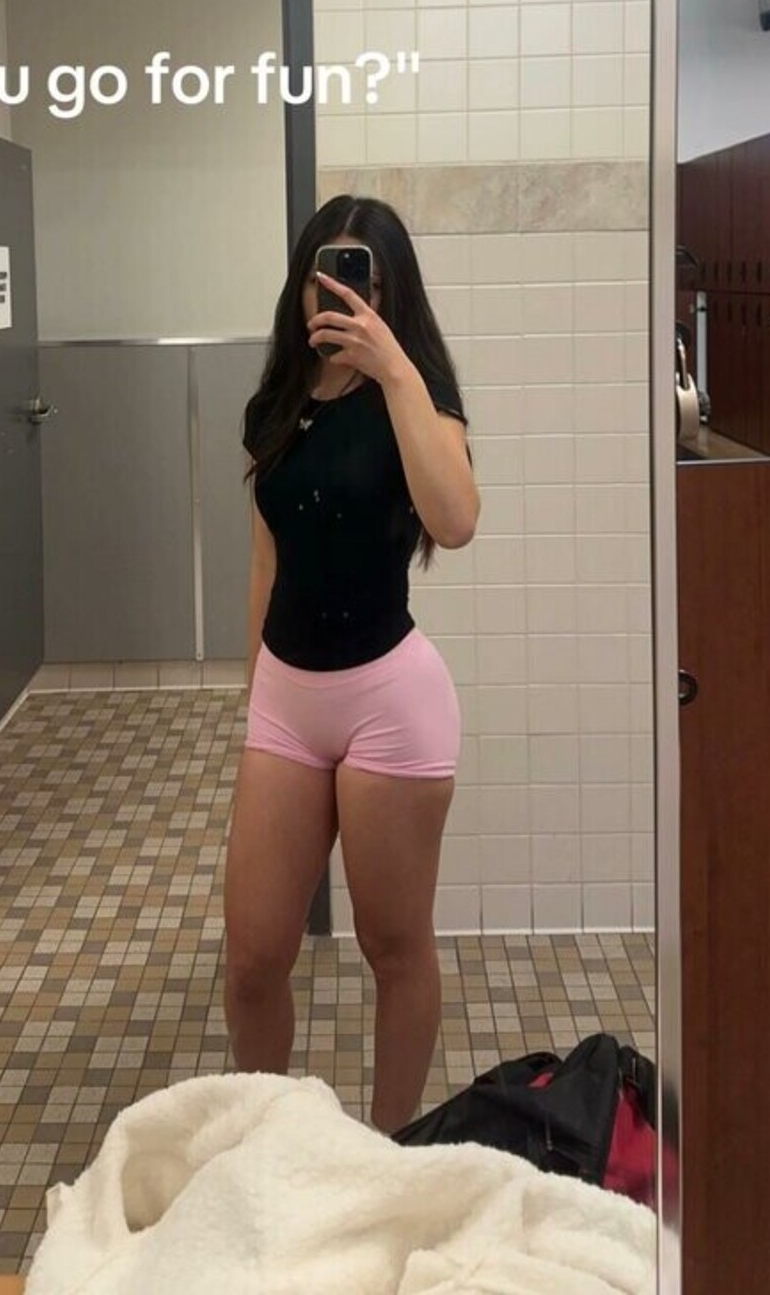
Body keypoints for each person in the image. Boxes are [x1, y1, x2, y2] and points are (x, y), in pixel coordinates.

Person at [224, 194, 480, 1134]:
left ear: (390, 291)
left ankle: (386, 1146)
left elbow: (455, 520)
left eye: (358, 277)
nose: (335, 293)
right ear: (300, 287)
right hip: (287, 699)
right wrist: (254, 691)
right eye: (321, 274)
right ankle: (270, 1142)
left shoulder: (417, 401)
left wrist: (394, 366)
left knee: (393, 945)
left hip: (390, 700)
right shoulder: (276, 406)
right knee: (253, 955)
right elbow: (266, 557)